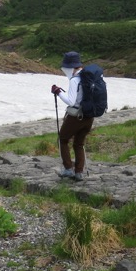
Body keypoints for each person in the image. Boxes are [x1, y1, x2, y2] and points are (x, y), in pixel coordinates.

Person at [50, 51, 93, 181]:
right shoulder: (89, 77)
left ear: (70, 67)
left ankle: (68, 169)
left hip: (76, 116)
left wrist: (58, 92)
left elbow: (71, 101)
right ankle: (79, 172)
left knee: (62, 139)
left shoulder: (75, 80)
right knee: (79, 144)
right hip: (89, 116)